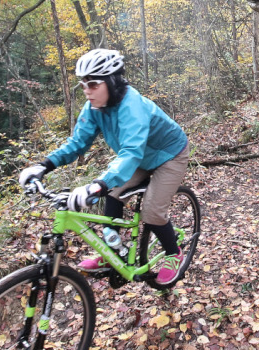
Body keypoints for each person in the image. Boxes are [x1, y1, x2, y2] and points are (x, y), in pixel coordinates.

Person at [18, 49, 190, 285]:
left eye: (93, 84)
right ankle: (111, 254)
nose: (86, 90)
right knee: (112, 192)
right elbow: (78, 143)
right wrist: (44, 165)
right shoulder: (94, 107)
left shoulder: (132, 106)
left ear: (112, 82)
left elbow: (130, 152)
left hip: (170, 154)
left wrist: (98, 184)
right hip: (139, 158)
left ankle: (173, 253)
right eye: (83, 84)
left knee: (151, 210)